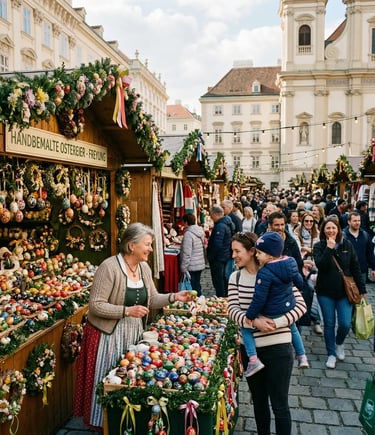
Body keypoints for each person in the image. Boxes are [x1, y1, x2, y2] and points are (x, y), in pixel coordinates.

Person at [73, 223, 195, 430]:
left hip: (132, 333)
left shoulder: (143, 268)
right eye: (147, 244)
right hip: (108, 335)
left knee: (128, 377)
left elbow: (152, 299)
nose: (150, 248)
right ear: (131, 246)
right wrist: (126, 311)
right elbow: (95, 305)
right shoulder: (109, 267)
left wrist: (174, 296)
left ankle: (126, 423)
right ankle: (103, 424)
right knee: (109, 379)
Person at [228, 231, 307, 435]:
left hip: (279, 347)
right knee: (259, 402)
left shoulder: (276, 273)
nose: (233, 256)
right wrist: (254, 322)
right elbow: (232, 310)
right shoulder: (235, 277)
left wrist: (274, 323)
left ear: (252, 251)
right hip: (251, 350)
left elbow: (300, 307)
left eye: (237, 251)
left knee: (280, 404)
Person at [241, 232, 308, 377]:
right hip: (287, 306)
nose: (256, 256)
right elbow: (300, 282)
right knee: (294, 327)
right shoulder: (290, 263)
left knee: (245, 330)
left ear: (270, 255)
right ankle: (302, 355)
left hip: (271, 311)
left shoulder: (265, 272)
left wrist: (250, 316)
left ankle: (253, 360)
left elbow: (259, 298)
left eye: (259, 253)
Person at [313, 216, 366, 369]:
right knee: (329, 324)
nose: (331, 230)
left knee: (344, 324)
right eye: (328, 228)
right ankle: (331, 353)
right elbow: (321, 266)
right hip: (325, 292)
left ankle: (339, 343)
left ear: (338, 229)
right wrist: (329, 248)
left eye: (333, 228)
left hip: (345, 292)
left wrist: (361, 289)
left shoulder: (347, 244)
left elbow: (355, 266)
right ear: (323, 230)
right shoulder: (319, 246)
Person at [206, 205, 233, 297]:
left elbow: (217, 244)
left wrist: (211, 256)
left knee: (218, 280)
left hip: (218, 257)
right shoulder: (225, 223)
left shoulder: (220, 226)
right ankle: (223, 295)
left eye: (211, 215)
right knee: (221, 278)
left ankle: (221, 297)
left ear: (215, 214)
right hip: (223, 255)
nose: (210, 217)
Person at [343, 211, 375, 285]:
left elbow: (369, 253)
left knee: (361, 294)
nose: (357, 223)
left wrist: (373, 267)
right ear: (349, 222)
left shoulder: (365, 235)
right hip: (347, 271)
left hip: (362, 271)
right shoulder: (343, 236)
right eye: (355, 221)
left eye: (359, 220)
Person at [179, 213, 206, 296]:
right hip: (199, 263)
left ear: (186, 222)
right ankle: (199, 301)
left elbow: (187, 253)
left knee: (192, 287)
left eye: (183, 222)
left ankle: (196, 303)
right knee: (197, 284)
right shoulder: (199, 231)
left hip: (192, 265)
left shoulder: (188, 234)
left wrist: (183, 267)